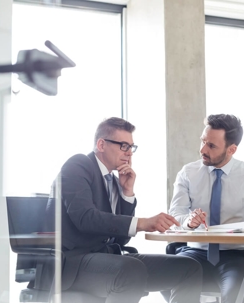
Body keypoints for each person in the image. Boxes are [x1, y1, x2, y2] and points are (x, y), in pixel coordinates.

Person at [45, 117, 203, 303]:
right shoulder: (78, 165)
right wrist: (143, 223)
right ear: (101, 144)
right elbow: (85, 218)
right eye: (123, 146)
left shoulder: (113, 180)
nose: (129, 153)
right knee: (130, 270)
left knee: (189, 267)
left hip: (107, 257)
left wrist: (127, 192)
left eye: (131, 147)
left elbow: (121, 239)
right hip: (72, 263)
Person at [168, 114, 244, 303]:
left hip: (236, 255)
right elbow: (176, 215)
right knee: (178, 287)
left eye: (211, 146)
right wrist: (189, 222)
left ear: (232, 149)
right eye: (203, 141)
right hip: (195, 252)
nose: (202, 149)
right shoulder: (188, 173)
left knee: (236, 296)